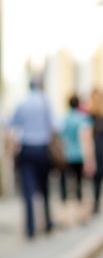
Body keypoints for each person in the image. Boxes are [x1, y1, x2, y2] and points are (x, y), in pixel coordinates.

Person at [7, 78, 56, 238]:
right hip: (42, 148)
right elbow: (54, 126)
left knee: (28, 190)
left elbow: (11, 123)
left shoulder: (22, 102)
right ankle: (47, 222)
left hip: (26, 149)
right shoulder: (45, 102)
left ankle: (30, 227)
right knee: (45, 188)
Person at [59, 93, 95, 224]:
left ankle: (65, 215)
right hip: (79, 155)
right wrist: (90, 159)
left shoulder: (64, 118)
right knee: (79, 184)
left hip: (66, 155)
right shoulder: (83, 119)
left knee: (65, 185)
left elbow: (60, 138)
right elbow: (86, 139)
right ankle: (81, 213)